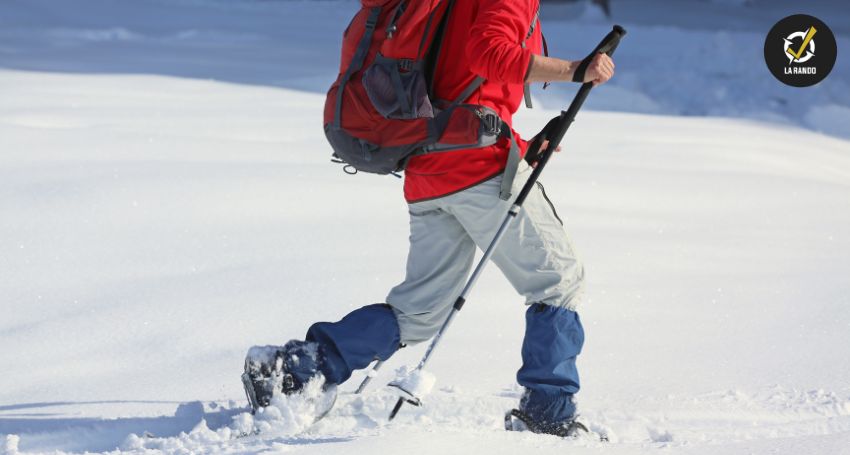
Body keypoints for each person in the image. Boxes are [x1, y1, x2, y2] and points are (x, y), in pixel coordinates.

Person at [244, 0, 614, 436]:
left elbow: (456, 83)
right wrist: (576, 69)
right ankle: (548, 413)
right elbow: (488, 55)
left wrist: (518, 144)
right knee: (558, 280)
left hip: (430, 168)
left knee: (420, 311)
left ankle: (300, 368)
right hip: (477, 169)